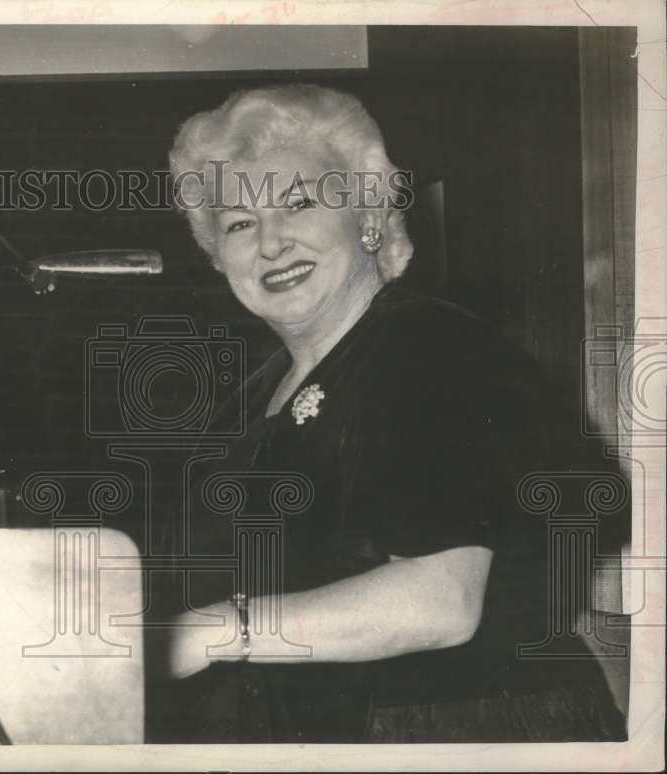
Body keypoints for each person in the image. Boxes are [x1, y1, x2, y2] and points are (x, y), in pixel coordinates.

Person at [150, 83, 627, 743]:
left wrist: (213, 631)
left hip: (458, 734)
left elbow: (441, 603)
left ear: (368, 216)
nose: (270, 242)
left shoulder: (432, 350)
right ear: (218, 257)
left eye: (299, 204)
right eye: (239, 224)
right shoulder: (257, 389)